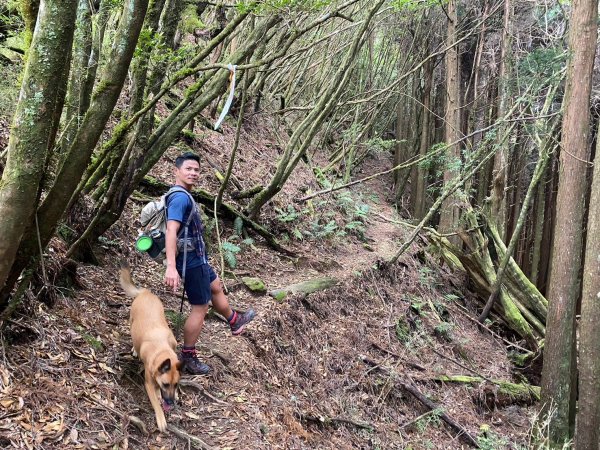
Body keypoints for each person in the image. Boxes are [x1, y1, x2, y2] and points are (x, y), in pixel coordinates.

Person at [164, 152, 256, 375]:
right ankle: (188, 356)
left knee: (215, 286)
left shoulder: (184, 195)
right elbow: (171, 230)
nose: (193, 173)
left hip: (197, 259)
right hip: (190, 261)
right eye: (188, 169)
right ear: (177, 171)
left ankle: (234, 320)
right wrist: (171, 267)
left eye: (196, 170)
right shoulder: (180, 198)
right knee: (200, 307)